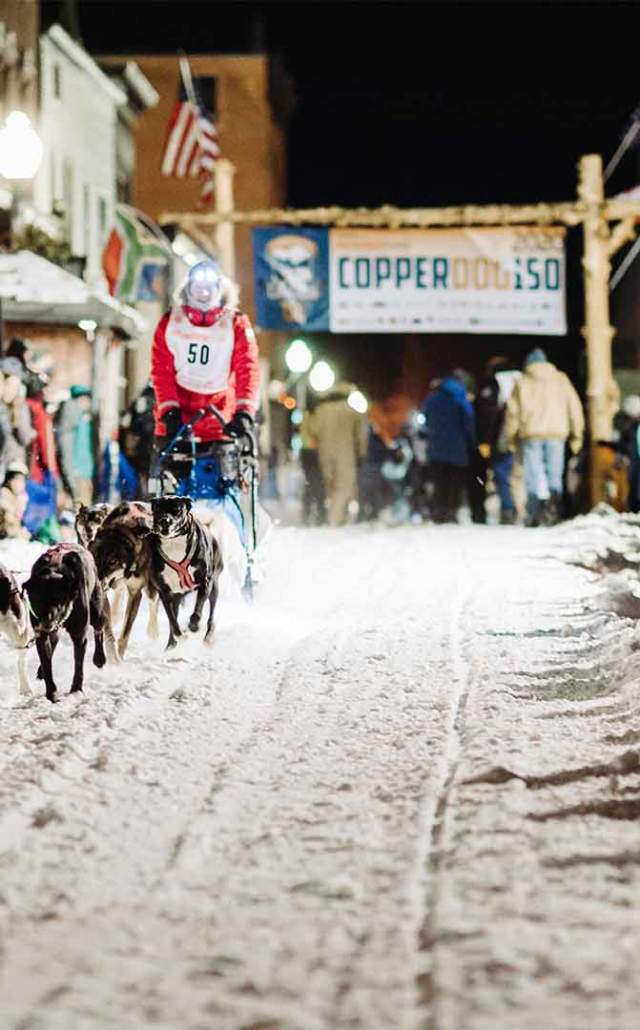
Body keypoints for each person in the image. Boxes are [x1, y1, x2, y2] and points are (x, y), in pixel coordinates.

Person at [151, 261, 259, 455]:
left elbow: (247, 368)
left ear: (219, 289)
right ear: (188, 288)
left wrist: (244, 411)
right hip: (178, 421)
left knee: (224, 472)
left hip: (221, 422)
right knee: (169, 470)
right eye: (198, 287)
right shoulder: (170, 323)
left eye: (209, 287)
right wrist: (169, 410)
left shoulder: (236, 323)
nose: (204, 292)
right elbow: (161, 370)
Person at [505, 348, 584, 527]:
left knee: (532, 474)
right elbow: (575, 408)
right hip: (557, 432)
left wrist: (511, 437)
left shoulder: (523, 381)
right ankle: (553, 510)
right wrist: (577, 435)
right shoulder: (561, 380)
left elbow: (512, 412)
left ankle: (533, 513)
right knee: (555, 473)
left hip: (531, 433)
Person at [307, 381, 368, 526]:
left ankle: (335, 516)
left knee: (330, 485)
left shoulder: (321, 410)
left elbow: (312, 429)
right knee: (345, 485)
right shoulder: (352, 412)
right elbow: (361, 435)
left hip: (325, 452)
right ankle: (335, 517)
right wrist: (361, 453)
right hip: (346, 453)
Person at [421, 370, 476, 523]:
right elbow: (469, 420)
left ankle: (439, 513)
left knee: (439, 483)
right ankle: (452, 512)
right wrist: (471, 441)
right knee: (454, 484)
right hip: (457, 448)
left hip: (436, 448)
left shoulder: (432, 398)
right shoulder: (461, 398)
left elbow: (425, 420)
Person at [476, 357, 521, 524]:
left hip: (502, 437)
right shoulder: (522, 381)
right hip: (526, 435)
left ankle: (508, 510)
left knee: (502, 474)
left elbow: (487, 415)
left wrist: (485, 440)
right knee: (520, 476)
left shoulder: (495, 385)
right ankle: (525, 510)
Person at [55, 384, 95, 505]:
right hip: (77, 472)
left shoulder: (83, 418)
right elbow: (66, 448)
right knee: (80, 508)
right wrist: (70, 474)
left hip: (84, 472)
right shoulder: (73, 416)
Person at [0, 462, 30, 539]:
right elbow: (10, 520)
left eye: (21, 480)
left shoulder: (23, 498)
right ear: (8, 481)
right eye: (14, 479)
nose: (17, 484)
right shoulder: (3, 495)